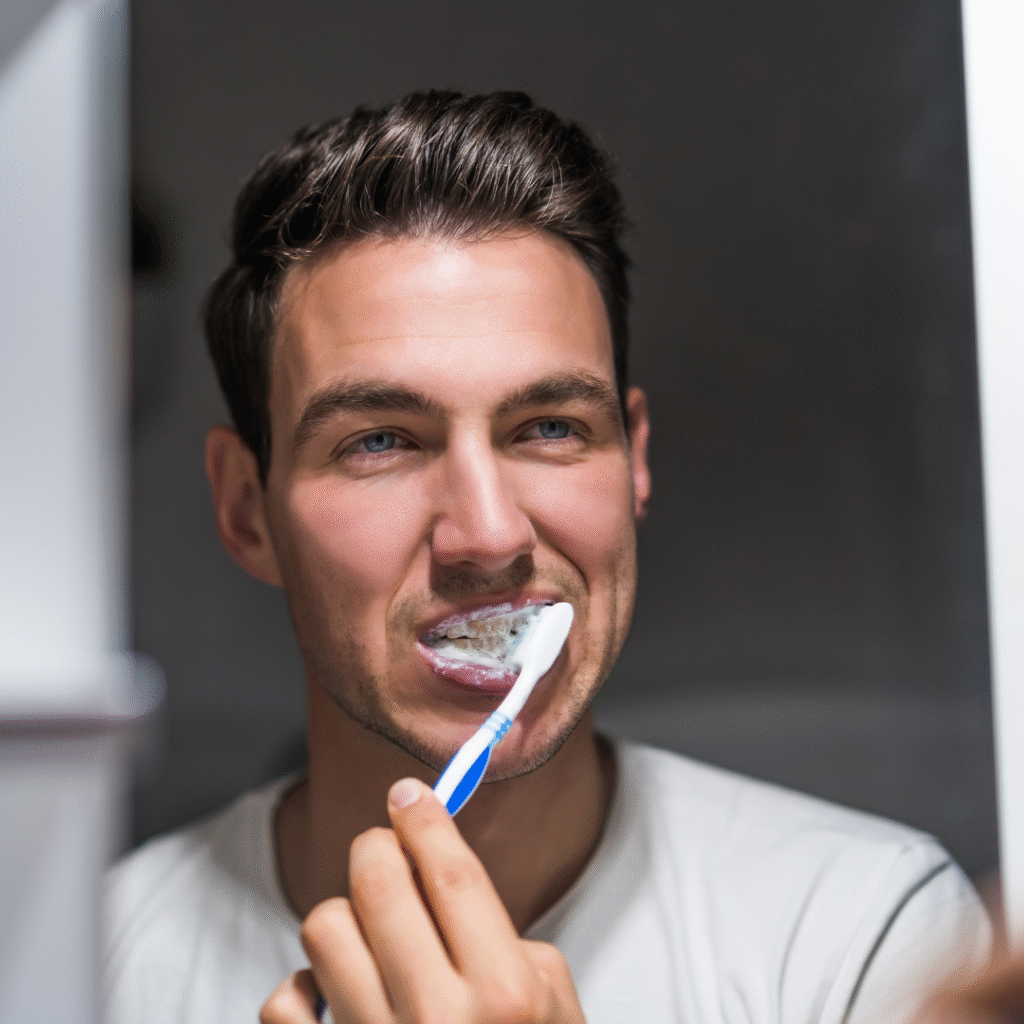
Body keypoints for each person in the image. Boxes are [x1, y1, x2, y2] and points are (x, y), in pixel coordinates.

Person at [103, 90, 990, 1024]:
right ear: (246, 511)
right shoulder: (88, 968)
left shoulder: (864, 945)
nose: (487, 535)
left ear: (635, 459)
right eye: (381, 442)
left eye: (551, 428)